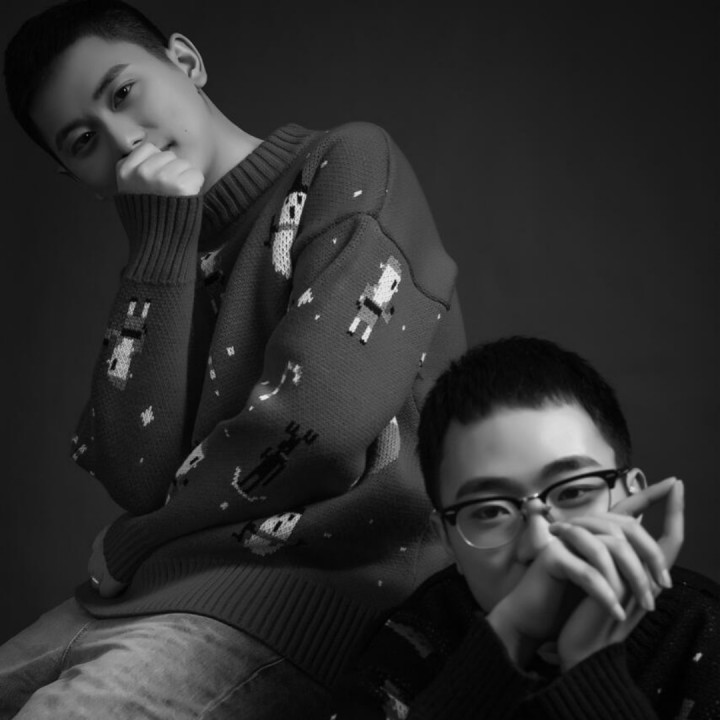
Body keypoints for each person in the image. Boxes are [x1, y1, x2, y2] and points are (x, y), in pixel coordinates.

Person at [1, 1, 466, 717]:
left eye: (123, 92)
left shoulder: (347, 162)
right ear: (79, 176)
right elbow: (133, 472)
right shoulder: (158, 264)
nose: (125, 140)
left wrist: (136, 544)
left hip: (294, 603)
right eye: (84, 140)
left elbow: (319, 422)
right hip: (133, 601)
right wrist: (160, 246)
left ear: (186, 62)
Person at [330, 336, 720, 719]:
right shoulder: (414, 638)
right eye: (490, 512)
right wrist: (508, 640)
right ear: (448, 540)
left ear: (634, 501)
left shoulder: (703, 631)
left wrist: (591, 669)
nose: (540, 544)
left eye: (574, 493)